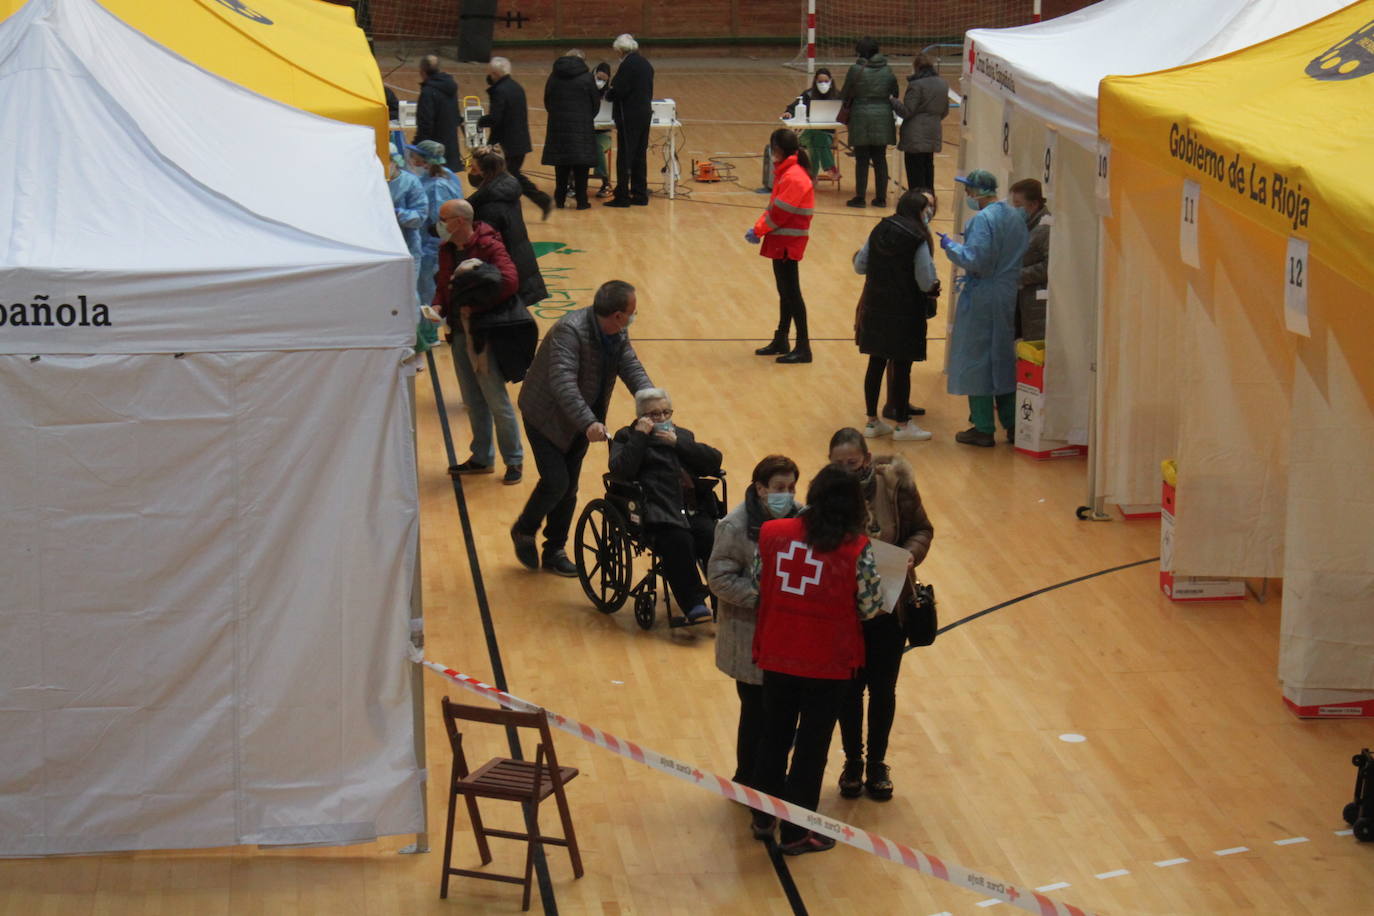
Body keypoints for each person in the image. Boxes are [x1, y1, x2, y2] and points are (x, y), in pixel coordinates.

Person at [749, 465, 882, 855]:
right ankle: (796, 832)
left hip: (777, 654)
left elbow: (759, 583)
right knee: (811, 747)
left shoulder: (772, 535)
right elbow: (870, 607)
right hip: (828, 662)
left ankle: (762, 816)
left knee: (773, 736)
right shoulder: (855, 547)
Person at [513, 281, 652, 575]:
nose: (634, 316)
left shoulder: (617, 332)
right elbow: (562, 383)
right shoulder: (570, 331)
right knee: (556, 482)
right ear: (617, 315)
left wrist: (652, 401)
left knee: (570, 487)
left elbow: (631, 368)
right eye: (632, 311)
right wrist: (589, 421)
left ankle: (554, 550)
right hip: (546, 417)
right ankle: (524, 530)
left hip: (581, 419)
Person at [827, 428, 934, 802]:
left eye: (852, 463)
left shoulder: (895, 485)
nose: (845, 471)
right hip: (845, 609)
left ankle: (877, 763)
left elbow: (922, 529)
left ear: (867, 459)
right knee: (850, 688)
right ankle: (853, 762)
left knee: (883, 687)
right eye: (837, 465)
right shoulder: (826, 495)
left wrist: (909, 555)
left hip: (891, 604)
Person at [708, 454, 802, 787]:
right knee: (755, 714)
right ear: (761, 489)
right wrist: (765, 598)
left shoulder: (804, 520)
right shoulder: (734, 525)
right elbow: (719, 579)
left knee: (784, 716)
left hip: (788, 639)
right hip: (748, 637)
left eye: (791, 487)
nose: (787, 495)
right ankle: (747, 778)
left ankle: (772, 776)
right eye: (779, 488)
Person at [433, 199, 530, 484]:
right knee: (472, 400)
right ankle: (481, 458)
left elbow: (510, 281)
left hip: (483, 333)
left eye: (443, 218)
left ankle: (514, 460)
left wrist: (476, 304)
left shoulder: (490, 247)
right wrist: (439, 306)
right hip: (459, 332)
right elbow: (443, 286)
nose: (438, 223)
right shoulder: (447, 249)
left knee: (496, 399)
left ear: (459, 221)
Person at [609, 388, 723, 624]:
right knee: (679, 542)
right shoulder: (626, 437)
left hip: (690, 507)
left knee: (711, 538)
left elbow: (714, 461)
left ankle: (723, 600)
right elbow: (621, 470)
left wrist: (678, 443)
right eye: (654, 415)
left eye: (665, 413)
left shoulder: (682, 434)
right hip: (656, 509)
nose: (661, 419)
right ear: (642, 417)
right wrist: (640, 437)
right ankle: (693, 603)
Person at [939, 169, 1030, 447]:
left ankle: (983, 426)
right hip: (1006, 293)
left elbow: (976, 260)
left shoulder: (982, 220)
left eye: (968, 190)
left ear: (977, 191)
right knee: (1002, 357)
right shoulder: (1016, 215)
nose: (967, 194)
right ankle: (1013, 425)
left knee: (977, 358)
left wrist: (951, 247)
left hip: (983, 295)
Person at [853, 189, 940, 440]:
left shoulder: (880, 229)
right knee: (901, 367)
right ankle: (903, 425)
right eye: (927, 209)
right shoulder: (918, 238)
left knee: (876, 362)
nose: (930, 213)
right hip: (905, 311)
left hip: (875, 307)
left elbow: (860, 265)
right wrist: (934, 288)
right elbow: (925, 280)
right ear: (918, 210)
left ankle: (871, 422)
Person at [748, 129, 815, 364]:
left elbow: (780, 213)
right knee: (785, 293)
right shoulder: (786, 173)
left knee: (792, 294)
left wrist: (758, 230)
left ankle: (803, 347)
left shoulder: (793, 176)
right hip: (782, 240)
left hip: (788, 242)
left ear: (776, 149)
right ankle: (782, 338)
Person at [467, 146, 549, 312]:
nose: (470, 171)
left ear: (484, 172)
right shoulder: (505, 190)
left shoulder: (489, 207)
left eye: (473, 167)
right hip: (520, 261)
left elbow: (486, 245)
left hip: (504, 270)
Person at [478, 58, 553, 219]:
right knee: (512, 175)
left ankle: (496, 211)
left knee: (499, 177)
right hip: (519, 141)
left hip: (506, 144)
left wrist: (481, 121)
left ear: (496, 74)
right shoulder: (516, 87)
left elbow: (496, 118)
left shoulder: (499, 91)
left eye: (490, 73)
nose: (488, 76)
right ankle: (542, 200)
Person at [841, 37, 898, 209]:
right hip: (883, 115)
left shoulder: (855, 69)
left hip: (860, 115)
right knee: (880, 158)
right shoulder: (888, 70)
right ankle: (881, 198)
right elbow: (895, 91)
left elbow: (845, 92)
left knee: (862, 159)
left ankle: (860, 197)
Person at [409, 140, 464, 312]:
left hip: (431, 249)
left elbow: (438, 223)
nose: (413, 160)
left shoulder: (436, 187)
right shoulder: (446, 174)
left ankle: (430, 332)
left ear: (424, 161)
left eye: (416, 157)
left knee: (429, 294)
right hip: (432, 246)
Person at [542, 49, 601, 210]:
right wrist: (586, 117)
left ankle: (560, 200)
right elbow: (595, 103)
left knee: (561, 167)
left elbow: (547, 101)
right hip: (582, 127)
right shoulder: (587, 77)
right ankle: (582, 201)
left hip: (558, 127)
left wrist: (557, 116)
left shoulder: (553, 77)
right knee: (582, 167)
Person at [387, 142, 430, 350]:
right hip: (383, 250)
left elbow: (420, 216)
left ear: (395, 162)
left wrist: (396, 213)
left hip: (407, 249)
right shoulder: (371, 182)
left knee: (409, 295)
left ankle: (415, 344)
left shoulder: (411, 183)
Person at [605, 33, 654, 207]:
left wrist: (608, 93)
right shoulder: (645, 63)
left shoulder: (628, 66)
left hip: (629, 116)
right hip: (644, 113)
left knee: (625, 156)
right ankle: (640, 194)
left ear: (620, 50)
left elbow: (619, 90)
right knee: (639, 155)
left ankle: (622, 196)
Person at [891, 53, 949, 193]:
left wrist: (892, 100)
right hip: (933, 131)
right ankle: (929, 203)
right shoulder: (942, 83)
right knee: (928, 169)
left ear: (916, 67)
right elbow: (945, 111)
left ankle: (917, 204)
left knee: (915, 174)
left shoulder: (916, 85)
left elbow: (907, 111)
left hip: (915, 136)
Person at [1010, 178, 1051, 341]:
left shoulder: (1045, 230)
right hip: (1022, 301)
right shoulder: (1025, 225)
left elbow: (1050, 267)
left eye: (1018, 205)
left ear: (1033, 204)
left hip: (1036, 306)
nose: (1015, 209)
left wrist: (1017, 274)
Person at [782, 68, 839, 178]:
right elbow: (792, 107)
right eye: (820, 81)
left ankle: (811, 176)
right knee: (818, 138)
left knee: (817, 141)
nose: (823, 84)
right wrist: (788, 112)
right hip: (806, 134)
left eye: (826, 81)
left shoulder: (837, 95)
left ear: (831, 81)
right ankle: (829, 167)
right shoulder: (808, 94)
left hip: (828, 134)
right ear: (815, 81)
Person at [415, 54, 461, 168]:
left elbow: (426, 122)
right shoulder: (450, 86)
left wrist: (419, 145)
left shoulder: (428, 92)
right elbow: (456, 115)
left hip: (434, 147)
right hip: (451, 145)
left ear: (422, 71)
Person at [592, 62, 615, 198]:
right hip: (584, 131)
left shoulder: (609, 94)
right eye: (598, 78)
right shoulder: (584, 89)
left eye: (604, 80)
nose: (600, 82)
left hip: (602, 133)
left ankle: (605, 182)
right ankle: (571, 182)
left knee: (596, 147)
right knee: (574, 145)